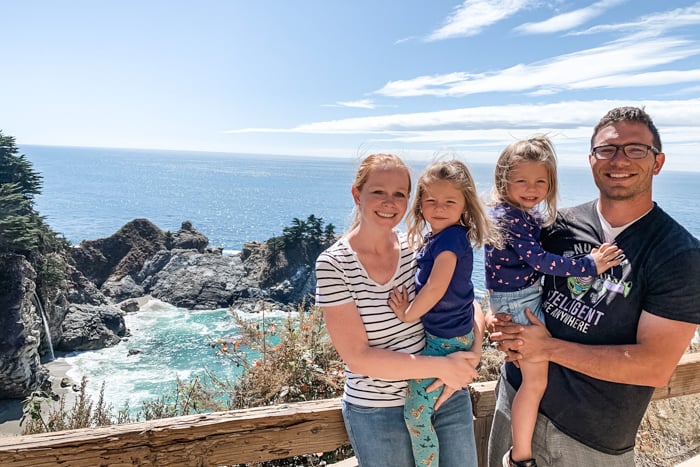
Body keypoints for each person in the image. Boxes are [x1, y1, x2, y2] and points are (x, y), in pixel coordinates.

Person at [487, 107, 700, 467]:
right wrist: (496, 318)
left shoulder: (678, 253)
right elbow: (513, 273)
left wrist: (547, 348)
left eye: (635, 149)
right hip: (516, 399)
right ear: (591, 160)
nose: (619, 160)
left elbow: (654, 367)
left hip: (593, 440)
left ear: (658, 162)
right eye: (607, 149)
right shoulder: (558, 225)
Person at [315, 153, 482, 467]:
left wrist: (473, 352)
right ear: (357, 194)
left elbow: (467, 301)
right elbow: (358, 357)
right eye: (379, 192)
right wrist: (443, 367)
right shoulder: (334, 264)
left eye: (399, 194)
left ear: (409, 200)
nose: (389, 202)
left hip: (444, 393)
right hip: (378, 410)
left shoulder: (416, 247)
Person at [484, 136, 623, 467]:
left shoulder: (511, 213)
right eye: (521, 181)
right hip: (519, 302)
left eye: (540, 182)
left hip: (513, 298)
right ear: (503, 181)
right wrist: (590, 265)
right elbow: (541, 262)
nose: (531, 189)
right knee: (535, 382)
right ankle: (520, 456)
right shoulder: (512, 218)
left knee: (526, 371)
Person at [387, 159, 496, 467]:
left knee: (415, 415)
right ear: (420, 202)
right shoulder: (443, 237)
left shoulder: (449, 240)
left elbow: (435, 289)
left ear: (465, 205)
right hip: (451, 337)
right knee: (429, 406)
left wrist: (407, 314)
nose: (439, 207)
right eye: (431, 199)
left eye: (450, 201)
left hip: (444, 343)